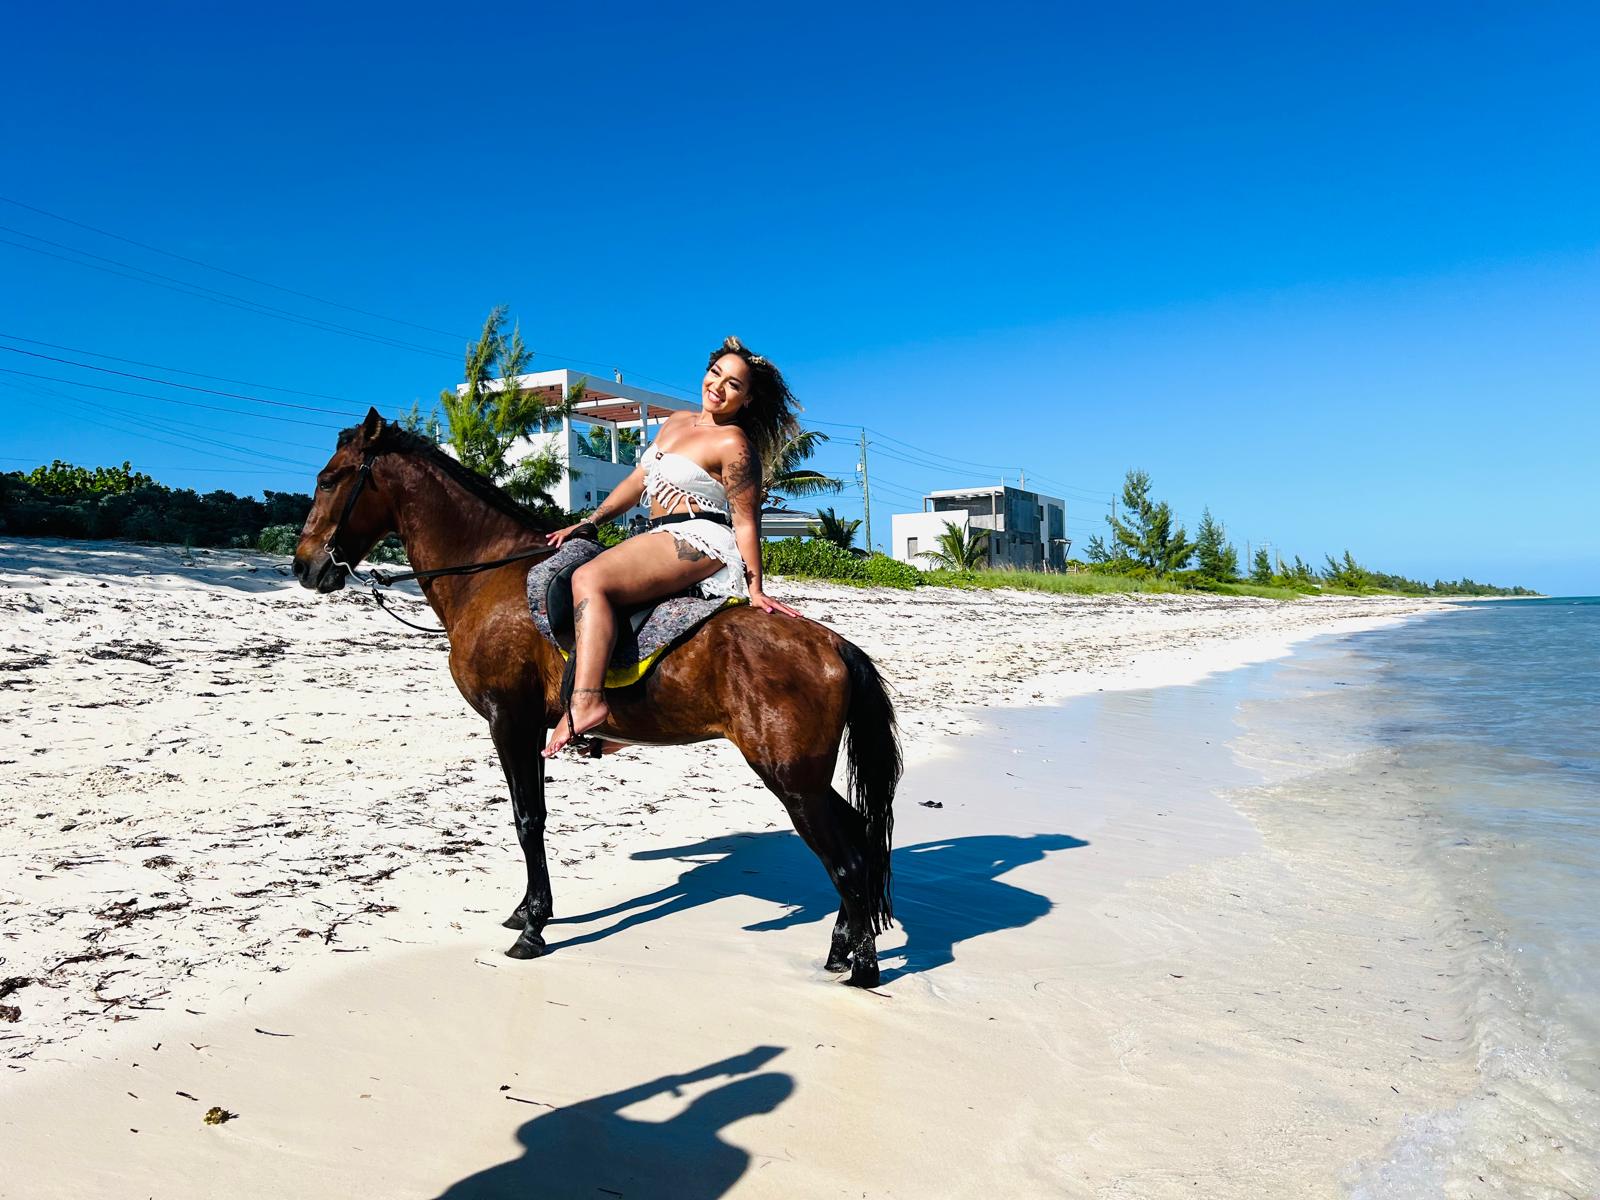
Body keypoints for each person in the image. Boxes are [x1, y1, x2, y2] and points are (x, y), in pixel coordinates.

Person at [541, 336, 804, 756]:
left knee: (591, 578)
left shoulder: (734, 445)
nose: (718, 386)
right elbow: (638, 481)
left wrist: (755, 589)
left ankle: (587, 699)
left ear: (748, 398)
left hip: (701, 538)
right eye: (716, 373)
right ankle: (630, 717)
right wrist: (590, 521)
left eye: (734, 384)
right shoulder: (675, 422)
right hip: (658, 534)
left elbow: (746, 522)